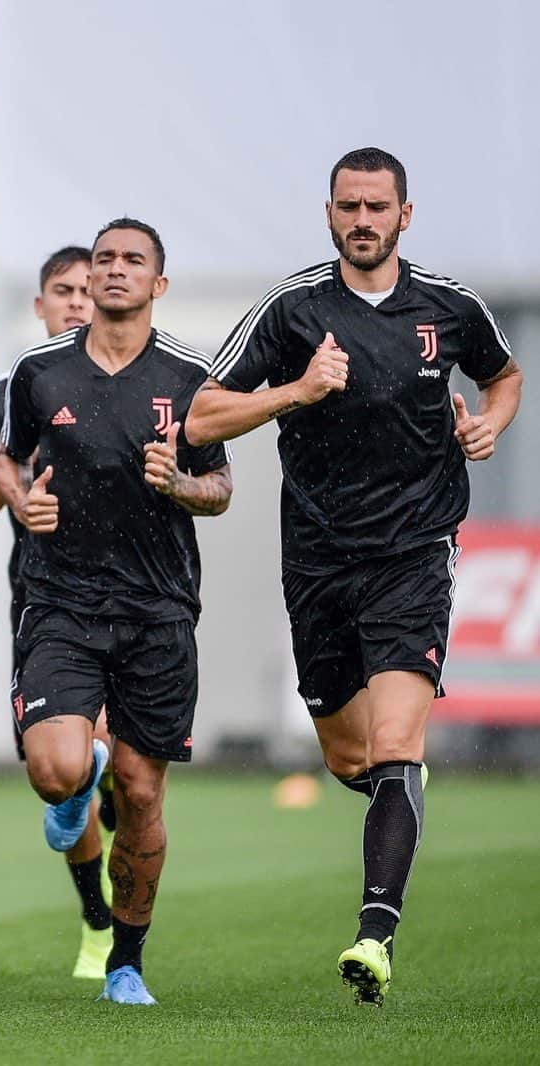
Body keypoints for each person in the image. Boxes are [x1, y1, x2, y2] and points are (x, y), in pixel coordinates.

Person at [185, 147, 523, 1006]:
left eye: (378, 205)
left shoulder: (448, 307)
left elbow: (506, 375)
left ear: (405, 214)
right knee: (351, 757)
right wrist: (297, 390)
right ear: (329, 213)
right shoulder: (293, 308)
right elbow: (203, 415)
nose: (362, 218)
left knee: (397, 744)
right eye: (348, 205)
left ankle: (375, 937)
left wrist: (488, 422)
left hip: (414, 553)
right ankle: (396, 794)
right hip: (319, 561)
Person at [0, 219, 232, 1005]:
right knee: (57, 765)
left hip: (158, 608)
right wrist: (23, 501)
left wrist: (178, 485)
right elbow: (6, 457)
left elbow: (222, 489)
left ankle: (126, 961)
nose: (116, 271)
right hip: (60, 599)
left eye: (134, 261)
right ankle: (73, 781)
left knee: (140, 790)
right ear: (86, 280)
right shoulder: (39, 371)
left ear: (158, 285)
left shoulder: (194, 375)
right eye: (105, 260)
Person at [0, 246, 117, 979]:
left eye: (90, 290)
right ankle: (96, 918)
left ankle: (121, 936)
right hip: (45, 598)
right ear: (41, 305)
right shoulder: (10, 391)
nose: (79, 303)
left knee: (120, 772)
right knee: (61, 767)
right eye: (64, 291)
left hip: (136, 594)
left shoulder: (142, 377)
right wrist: (13, 476)